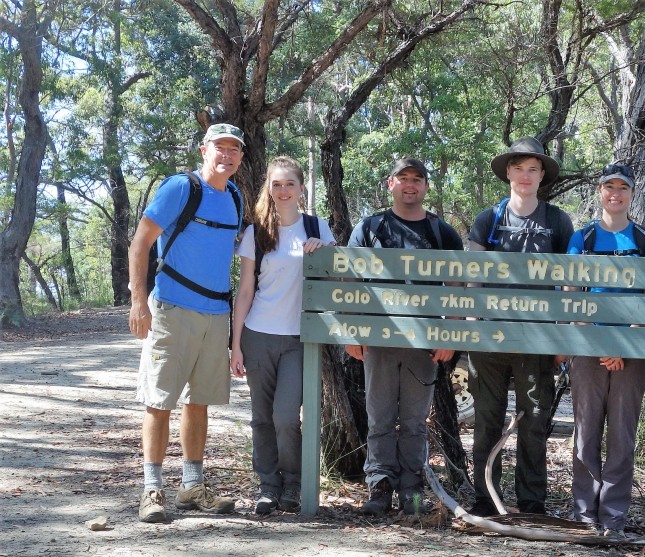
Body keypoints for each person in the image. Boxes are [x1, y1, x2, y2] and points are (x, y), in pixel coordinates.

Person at [127, 123, 246, 523]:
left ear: (240, 158)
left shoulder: (234, 196)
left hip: (216, 315)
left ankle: (192, 487)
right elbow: (141, 241)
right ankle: (151, 490)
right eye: (219, 147)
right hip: (172, 309)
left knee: (199, 402)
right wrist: (138, 301)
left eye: (234, 150)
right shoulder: (182, 188)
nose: (226, 155)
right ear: (203, 150)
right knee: (159, 401)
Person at [346, 158, 464, 516]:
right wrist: (353, 333)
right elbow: (349, 280)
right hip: (378, 341)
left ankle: (412, 489)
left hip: (424, 344)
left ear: (425, 187)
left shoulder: (441, 232)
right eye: (403, 178)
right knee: (379, 416)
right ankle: (379, 486)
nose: (410, 185)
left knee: (414, 421)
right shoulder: (370, 227)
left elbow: (457, 288)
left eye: (417, 179)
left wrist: (450, 336)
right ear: (390, 184)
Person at [467, 137, 574, 516]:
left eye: (533, 169)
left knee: (534, 423)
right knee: (487, 421)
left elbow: (568, 282)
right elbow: (473, 277)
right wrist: (471, 328)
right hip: (490, 341)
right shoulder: (489, 219)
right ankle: (485, 499)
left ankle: (531, 503)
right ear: (507, 173)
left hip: (538, 339)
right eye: (518, 168)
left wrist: (562, 337)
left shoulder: (557, 221)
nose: (525, 176)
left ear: (542, 175)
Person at [230, 156, 334, 515]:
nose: (283, 190)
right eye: (277, 184)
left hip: (299, 339)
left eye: (290, 183)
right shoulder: (255, 232)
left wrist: (326, 251)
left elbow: (337, 278)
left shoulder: (317, 228)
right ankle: (268, 488)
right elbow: (245, 291)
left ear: (301, 188)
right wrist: (236, 345)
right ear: (268, 189)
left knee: (287, 417)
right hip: (258, 334)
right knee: (261, 416)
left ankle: (294, 483)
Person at [566, 163, 645, 540]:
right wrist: (599, 343)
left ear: (632, 193)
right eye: (609, 187)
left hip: (633, 350)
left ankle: (614, 516)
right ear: (600, 192)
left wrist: (624, 343)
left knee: (622, 434)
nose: (615, 194)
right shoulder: (583, 238)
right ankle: (585, 514)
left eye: (623, 188)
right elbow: (571, 296)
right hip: (588, 348)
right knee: (586, 432)